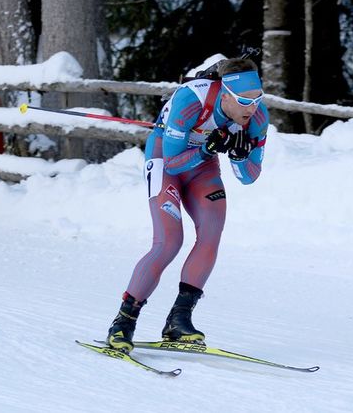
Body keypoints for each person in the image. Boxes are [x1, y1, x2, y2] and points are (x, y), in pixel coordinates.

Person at [106, 58, 269, 352]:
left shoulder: (257, 118)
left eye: (258, 99)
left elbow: (249, 177)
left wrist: (239, 156)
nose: (252, 108)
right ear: (225, 94)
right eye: (244, 101)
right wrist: (208, 147)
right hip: (167, 160)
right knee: (169, 241)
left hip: (203, 168)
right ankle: (123, 323)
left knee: (211, 232)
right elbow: (173, 160)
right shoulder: (191, 98)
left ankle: (179, 320)